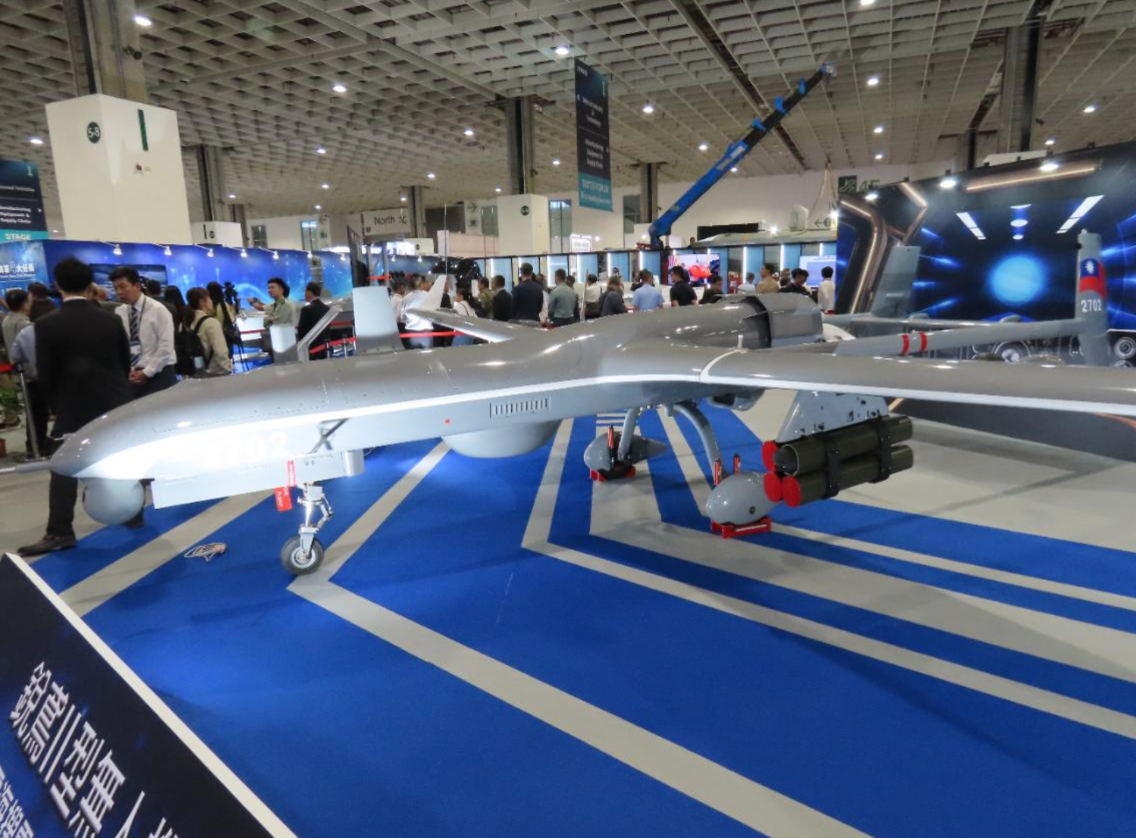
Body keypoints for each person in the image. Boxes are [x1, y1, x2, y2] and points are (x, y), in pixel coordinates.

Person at [18, 257, 134, 556]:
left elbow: (46, 374)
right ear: (90, 285)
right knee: (120, 457)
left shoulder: (46, 325)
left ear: (58, 285)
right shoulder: (111, 319)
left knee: (63, 466)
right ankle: (133, 513)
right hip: (114, 401)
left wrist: (58, 405)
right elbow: (124, 362)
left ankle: (60, 531)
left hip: (71, 405)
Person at [111, 266, 177, 397]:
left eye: (123, 287)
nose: (119, 292)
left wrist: (147, 372)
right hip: (133, 375)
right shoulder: (120, 312)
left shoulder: (158, 310)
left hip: (159, 374)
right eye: (115, 288)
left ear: (137, 286)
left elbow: (166, 346)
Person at [184, 287, 233, 376]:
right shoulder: (211, 323)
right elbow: (220, 351)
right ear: (202, 302)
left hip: (196, 371)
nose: (211, 301)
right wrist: (228, 367)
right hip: (216, 372)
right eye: (209, 298)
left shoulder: (186, 321)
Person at [2, 290, 32, 433]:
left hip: (16, 368)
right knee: (36, 412)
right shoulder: (23, 323)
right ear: (25, 304)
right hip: (28, 371)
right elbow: (30, 349)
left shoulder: (7, 320)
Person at [296, 281, 331, 360]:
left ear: (309, 292)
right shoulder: (327, 308)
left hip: (311, 348)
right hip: (325, 346)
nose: (304, 294)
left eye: (305, 291)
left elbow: (302, 330)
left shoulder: (306, 309)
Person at [207, 281, 240, 352]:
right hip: (224, 337)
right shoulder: (223, 305)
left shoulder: (206, 306)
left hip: (211, 338)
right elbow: (232, 320)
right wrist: (234, 308)